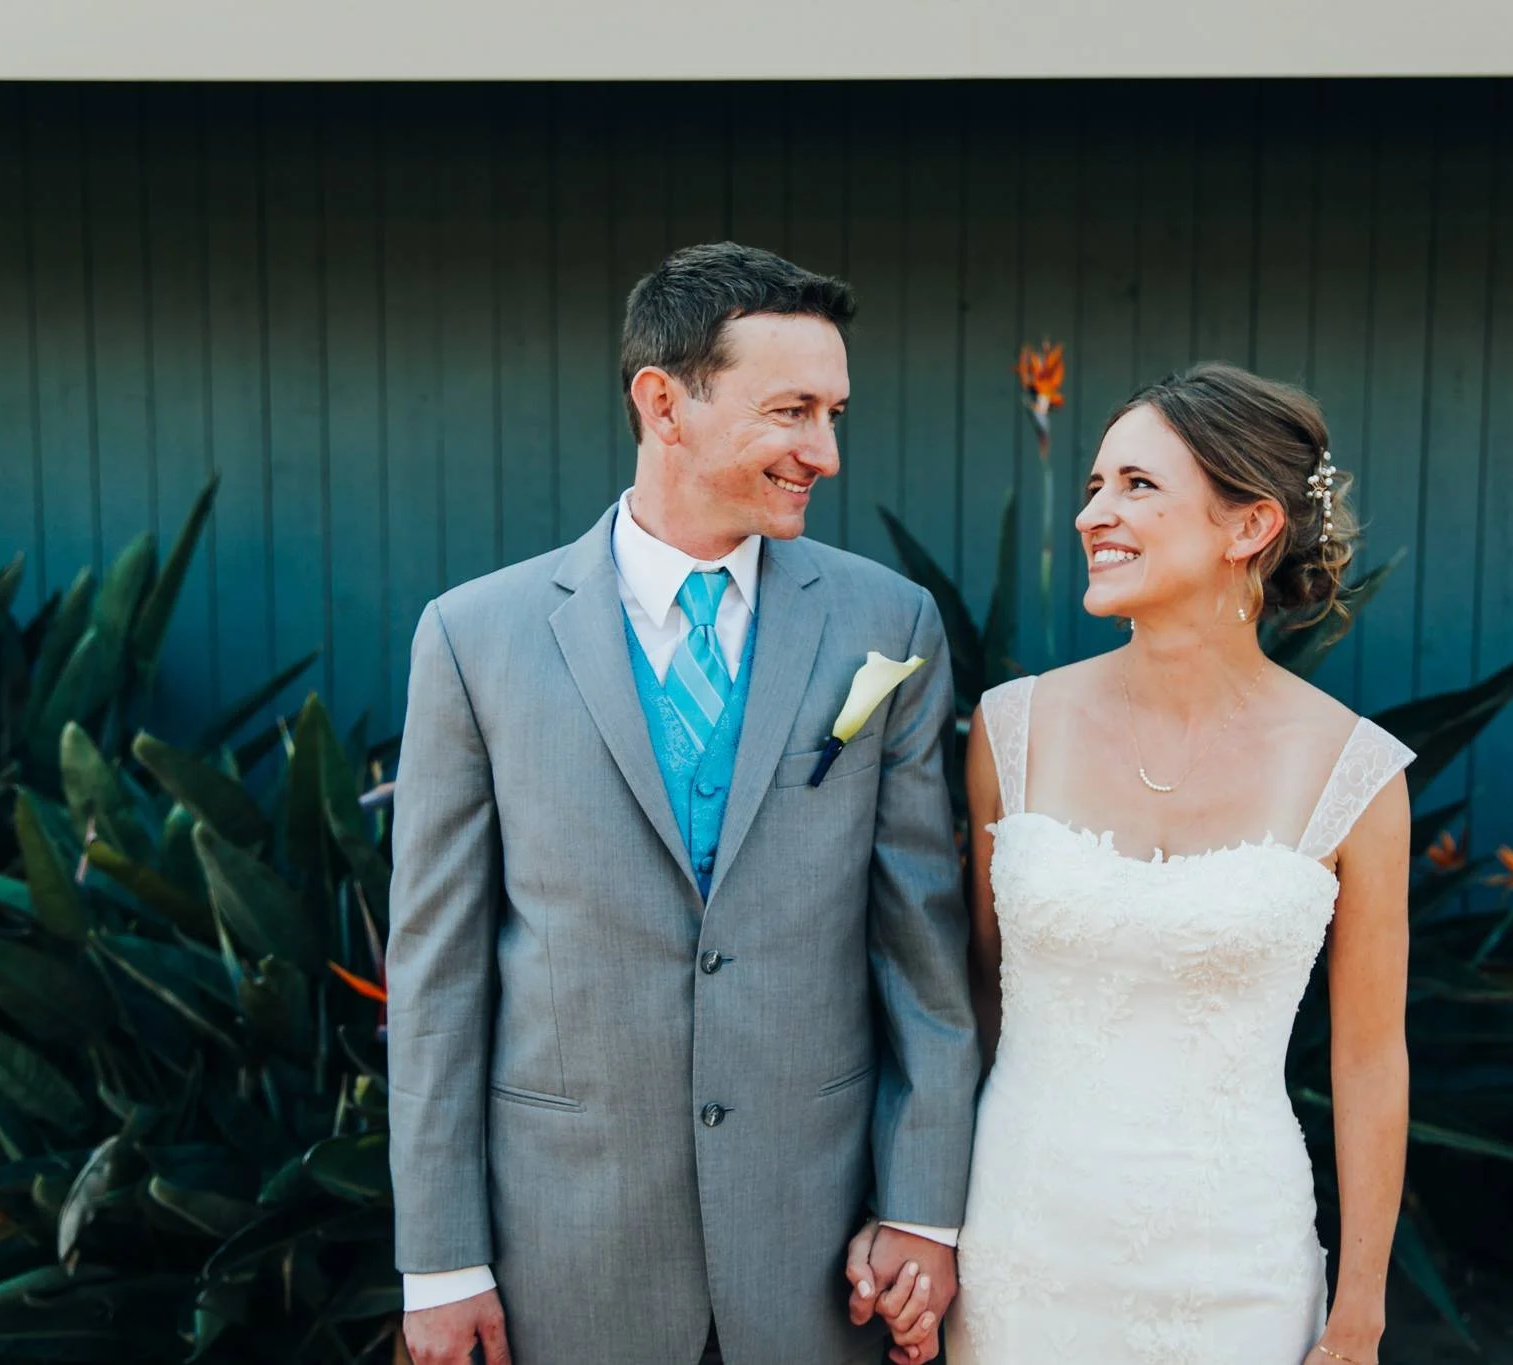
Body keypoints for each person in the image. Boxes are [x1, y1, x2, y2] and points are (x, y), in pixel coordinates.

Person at [388, 242, 978, 1365]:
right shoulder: (475, 639)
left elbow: (921, 950)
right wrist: (442, 1260)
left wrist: (922, 1206)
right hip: (564, 1251)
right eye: (791, 411)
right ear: (663, 403)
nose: (826, 453)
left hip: (819, 1253)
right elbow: (436, 974)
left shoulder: (886, 625)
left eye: (833, 411)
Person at [942, 363, 1414, 1365]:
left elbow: (1369, 1060)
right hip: (1019, 1247)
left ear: (1246, 527)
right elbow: (972, 1006)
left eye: (1137, 486)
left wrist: (1357, 1316)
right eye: (1093, 487)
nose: (1092, 515)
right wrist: (922, 1228)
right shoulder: (1010, 729)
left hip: (1233, 1263)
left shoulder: (1355, 774)